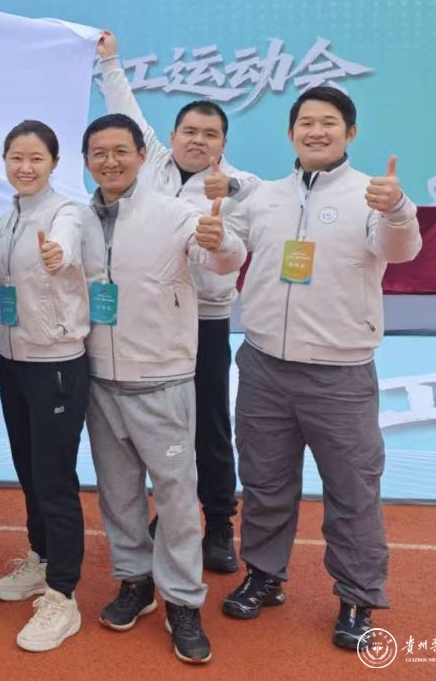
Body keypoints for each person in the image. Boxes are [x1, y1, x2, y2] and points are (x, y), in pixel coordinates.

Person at [220, 86, 421, 652]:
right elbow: (229, 255)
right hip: (263, 365)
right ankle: (264, 574)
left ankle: (357, 596)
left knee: (352, 491)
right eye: (305, 122)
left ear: (349, 133)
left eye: (328, 122)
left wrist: (397, 209)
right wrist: (215, 242)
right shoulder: (266, 197)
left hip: (340, 373)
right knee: (265, 483)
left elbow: (401, 250)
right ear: (290, 133)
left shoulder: (372, 195)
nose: (316, 131)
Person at [80, 113, 246, 666]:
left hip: (163, 378)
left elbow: (221, 255)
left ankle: (183, 600)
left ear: (141, 156)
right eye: (99, 153)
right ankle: (135, 580)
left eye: (120, 151)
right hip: (101, 379)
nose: (110, 161)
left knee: (175, 497)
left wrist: (222, 242)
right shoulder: (79, 220)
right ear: (87, 161)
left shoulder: (175, 213)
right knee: (118, 494)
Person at [94, 31, 259, 572]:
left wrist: (225, 224)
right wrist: (110, 60)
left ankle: (219, 524)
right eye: (189, 131)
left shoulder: (240, 186)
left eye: (210, 134)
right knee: (154, 430)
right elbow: (123, 107)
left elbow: (239, 246)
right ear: (170, 136)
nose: (198, 141)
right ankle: (167, 516)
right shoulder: (152, 165)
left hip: (205, 323)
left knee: (209, 425)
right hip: (144, 321)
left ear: (223, 142)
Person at [0, 120, 90, 652]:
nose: (25, 167)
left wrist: (59, 254)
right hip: (12, 360)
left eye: (36, 159)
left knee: (54, 478)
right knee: (28, 470)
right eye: (16, 158)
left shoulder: (66, 212)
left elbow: (66, 245)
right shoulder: (7, 217)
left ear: (54, 163)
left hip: (55, 362)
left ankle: (63, 595)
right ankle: (42, 558)